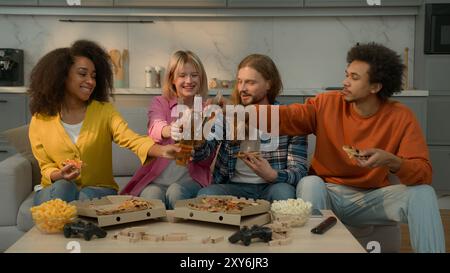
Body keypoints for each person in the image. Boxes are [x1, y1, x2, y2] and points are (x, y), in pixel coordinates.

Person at [257, 42, 445, 253]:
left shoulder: (401, 117)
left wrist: (392, 161)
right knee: (310, 182)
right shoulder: (326, 103)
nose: (344, 82)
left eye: (354, 78)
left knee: (424, 193)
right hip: (329, 194)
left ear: (375, 87)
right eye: (346, 74)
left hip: (373, 198)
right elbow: (289, 116)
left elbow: (423, 173)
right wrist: (241, 113)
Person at [28, 40, 180, 206]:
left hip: (98, 189)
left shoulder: (104, 111)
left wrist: (163, 150)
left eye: (93, 76)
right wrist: (60, 175)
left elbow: (132, 139)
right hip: (56, 188)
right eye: (82, 74)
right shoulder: (40, 120)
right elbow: (45, 166)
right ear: (62, 75)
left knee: (85, 197)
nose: (91, 81)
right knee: (64, 188)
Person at [194, 54, 308, 201]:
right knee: (206, 195)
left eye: (250, 83)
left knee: (284, 194)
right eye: (240, 82)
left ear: (269, 84)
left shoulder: (289, 118)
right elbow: (202, 154)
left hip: (272, 186)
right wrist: (198, 134)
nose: (242, 88)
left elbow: (299, 171)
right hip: (233, 186)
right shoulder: (228, 113)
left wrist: (272, 174)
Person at [121, 50, 216, 209]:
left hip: (190, 181)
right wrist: (170, 130)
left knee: (176, 191)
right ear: (172, 78)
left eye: (194, 75)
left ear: (201, 78)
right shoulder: (160, 102)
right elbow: (155, 125)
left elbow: (208, 159)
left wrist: (198, 146)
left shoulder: (208, 110)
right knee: (152, 197)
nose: (189, 80)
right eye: (182, 75)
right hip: (155, 180)